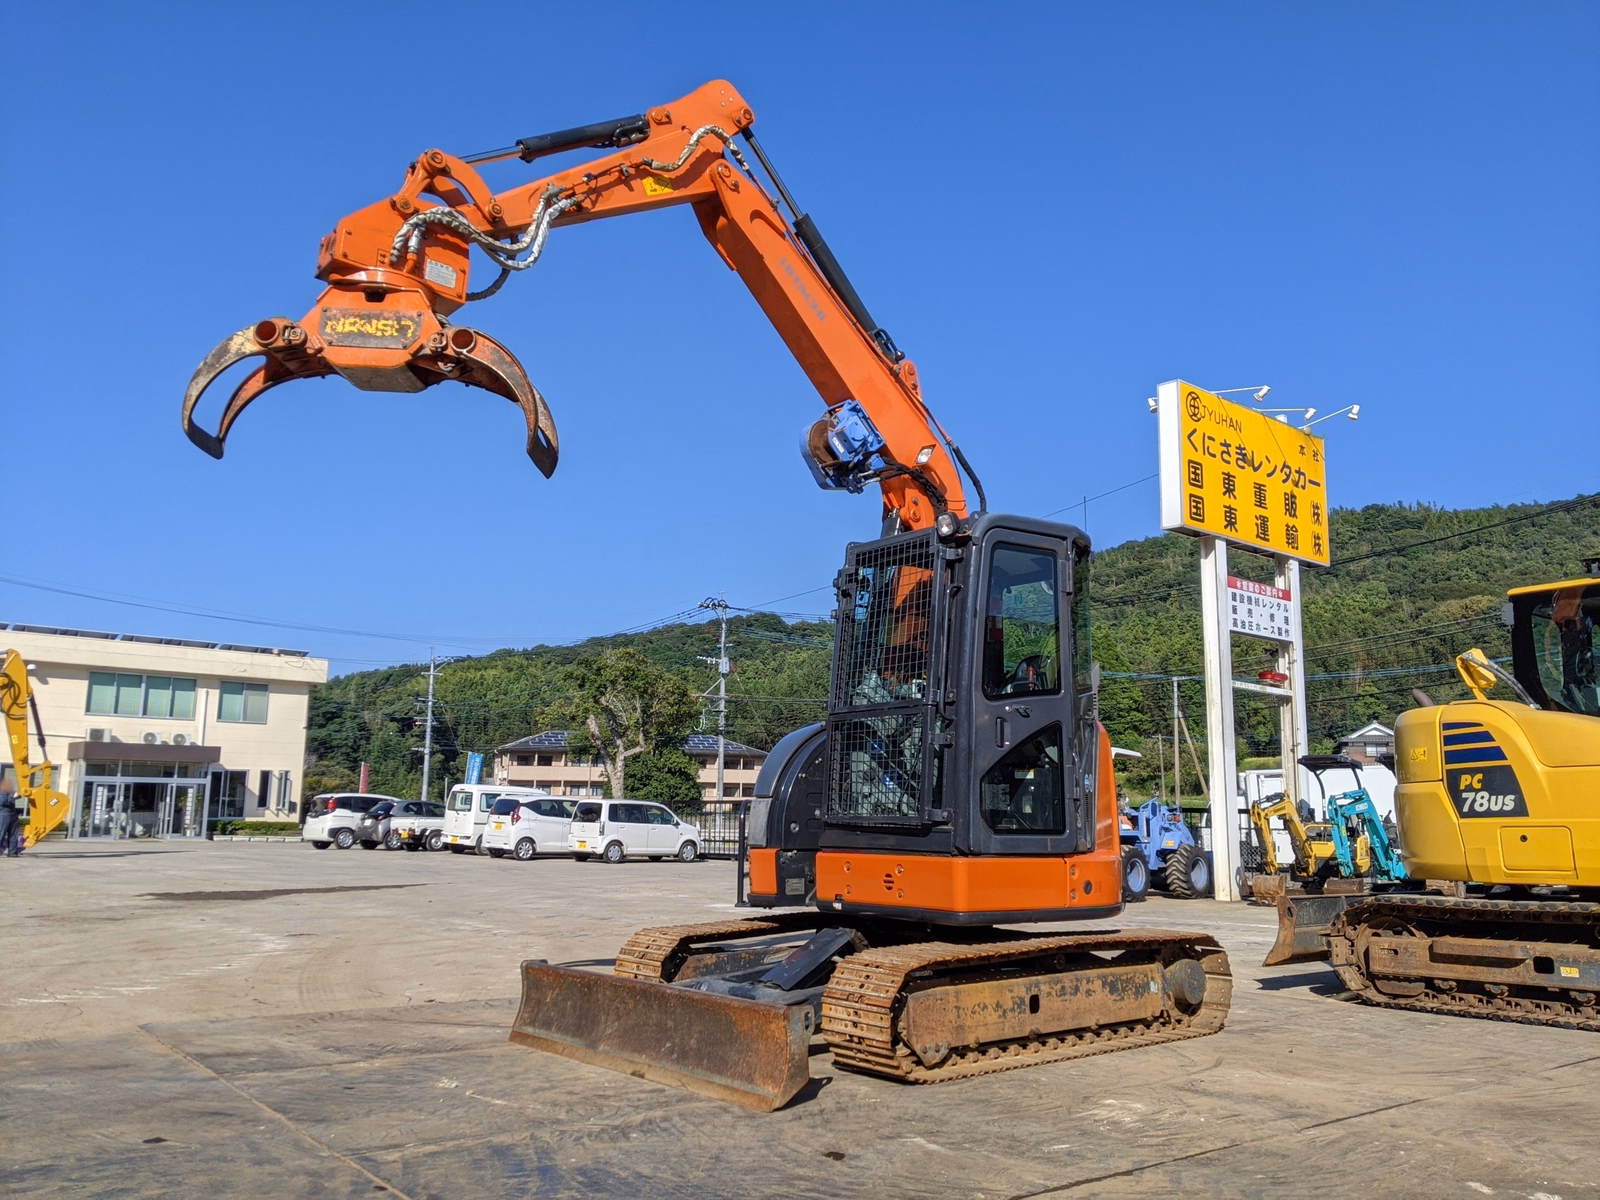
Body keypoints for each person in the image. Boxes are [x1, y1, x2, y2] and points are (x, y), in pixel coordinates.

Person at [0, 777, 19, 857]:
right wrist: (13, 797)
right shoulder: (1, 793)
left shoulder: (11, 791)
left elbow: (17, 796)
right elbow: (3, 801)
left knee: (13, 834)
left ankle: (12, 852)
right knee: (1, 833)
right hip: (3, 814)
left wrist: (18, 795)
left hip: (13, 814)